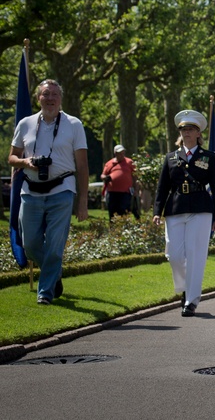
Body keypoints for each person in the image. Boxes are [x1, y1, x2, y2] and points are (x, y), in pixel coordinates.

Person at [9, 79, 89, 304]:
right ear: (38, 98)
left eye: (55, 94)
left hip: (62, 190)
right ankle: (54, 274)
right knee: (30, 245)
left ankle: (45, 293)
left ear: (60, 99)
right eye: (46, 94)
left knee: (55, 244)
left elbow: (82, 165)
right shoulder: (25, 123)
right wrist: (26, 162)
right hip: (30, 191)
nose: (50, 98)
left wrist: (82, 201)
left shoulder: (74, 124)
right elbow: (11, 158)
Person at [152, 110, 215, 317]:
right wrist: (157, 211)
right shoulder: (171, 158)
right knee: (174, 255)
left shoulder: (209, 157)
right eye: (184, 129)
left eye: (191, 129)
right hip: (175, 209)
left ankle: (191, 300)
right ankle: (184, 287)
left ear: (198, 133)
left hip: (201, 209)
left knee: (196, 255)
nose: (187, 132)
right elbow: (162, 187)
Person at [101, 144, 136, 220]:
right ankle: (113, 229)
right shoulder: (109, 163)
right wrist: (105, 178)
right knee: (112, 212)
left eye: (123, 152)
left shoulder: (129, 162)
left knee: (123, 211)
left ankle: (124, 228)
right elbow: (103, 175)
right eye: (120, 153)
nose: (122, 155)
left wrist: (135, 187)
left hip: (125, 192)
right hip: (112, 192)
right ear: (115, 153)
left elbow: (136, 174)